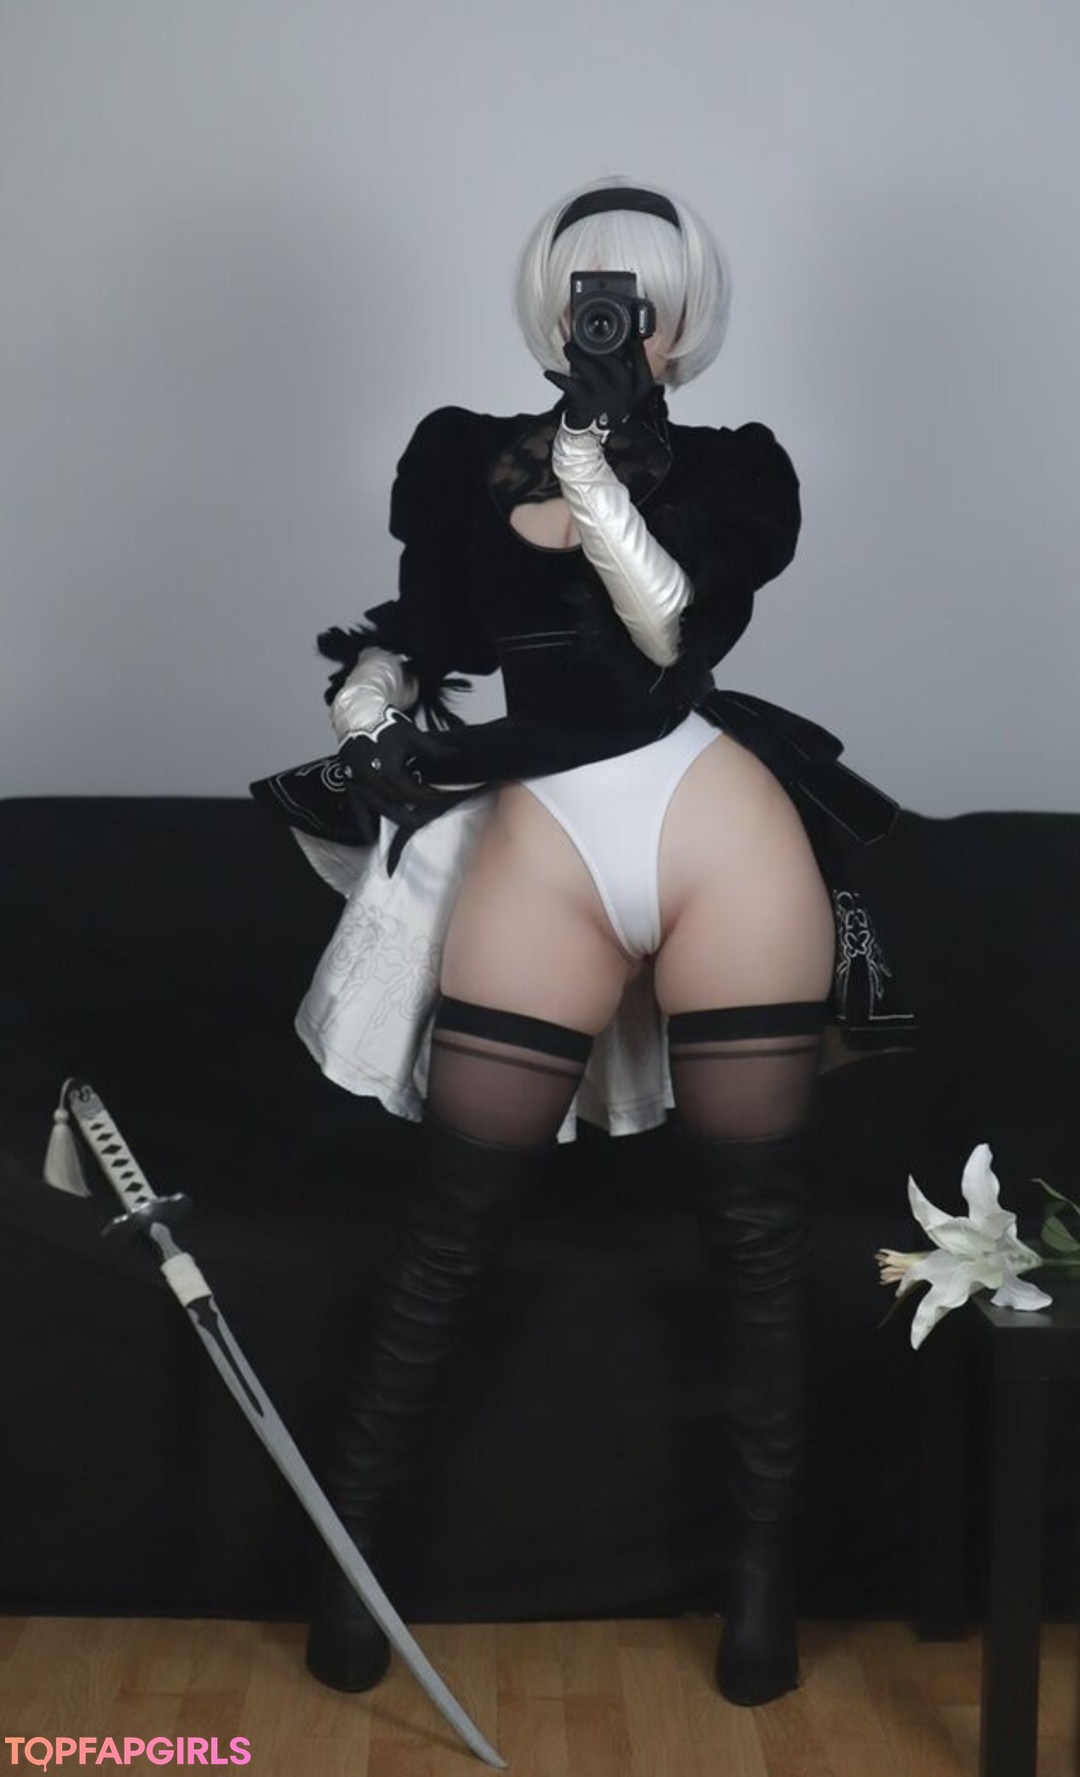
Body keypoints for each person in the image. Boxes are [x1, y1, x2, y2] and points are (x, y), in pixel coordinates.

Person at [252, 175, 914, 1708]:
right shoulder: (454, 455)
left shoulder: (739, 468)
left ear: (684, 321)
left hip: (712, 821)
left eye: (641, 299)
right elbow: (430, 629)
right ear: (553, 306)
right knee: (452, 1217)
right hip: (544, 828)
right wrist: (370, 705)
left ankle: (762, 1594)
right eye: (589, 293)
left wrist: (593, 470)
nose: (611, 318)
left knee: (755, 1227)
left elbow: (672, 627)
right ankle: (352, 1573)